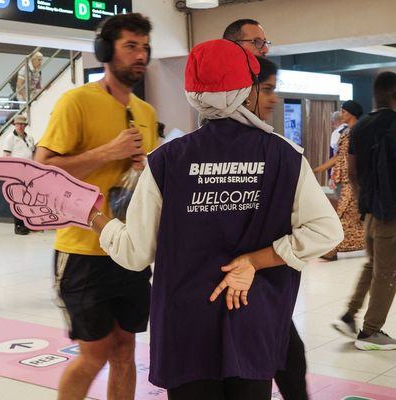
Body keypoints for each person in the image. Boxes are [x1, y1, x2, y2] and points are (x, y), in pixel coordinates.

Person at [87, 39, 343, 399]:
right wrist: (254, 260)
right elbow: (326, 231)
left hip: (186, 327)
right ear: (245, 90)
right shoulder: (284, 157)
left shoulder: (165, 161)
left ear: (192, 94)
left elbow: (134, 252)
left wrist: (93, 216)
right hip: (254, 322)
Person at [34, 13, 158, 400]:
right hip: (84, 249)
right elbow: (41, 169)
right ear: (106, 51)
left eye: (144, 48)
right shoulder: (76, 102)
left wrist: (143, 166)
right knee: (94, 354)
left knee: (126, 350)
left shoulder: (146, 112)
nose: (140, 55)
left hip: (130, 250)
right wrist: (109, 152)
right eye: (130, 46)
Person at [223, 18, 310, 400]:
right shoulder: (213, 137)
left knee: (289, 357)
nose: (265, 48)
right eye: (256, 42)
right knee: (264, 365)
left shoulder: (275, 147)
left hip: (266, 275)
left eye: (265, 41)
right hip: (229, 277)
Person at [332, 71, 396, 351]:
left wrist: (363, 202)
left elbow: (352, 171)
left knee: (373, 265)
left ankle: (350, 314)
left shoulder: (359, 127)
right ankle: (371, 332)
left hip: (371, 210)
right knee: (388, 272)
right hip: (393, 211)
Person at [313, 100, 365, 261]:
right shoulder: (347, 132)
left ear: (352, 113)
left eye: (343, 111)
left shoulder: (359, 132)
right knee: (353, 216)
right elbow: (338, 156)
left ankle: (332, 249)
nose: (341, 114)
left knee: (343, 214)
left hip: (354, 179)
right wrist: (318, 169)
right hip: (346, 179)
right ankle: (374, 241)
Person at [3, 115, 36, 235]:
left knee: (28, 200)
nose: (21, 126)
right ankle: (18, 225)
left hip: (29, 172)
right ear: (15, 125)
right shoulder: (10, 138)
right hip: (16, 173)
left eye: (23, 124)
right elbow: (6, 157)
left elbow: (33, 154)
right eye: (18, 124)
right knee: (18, 200)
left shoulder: (30, 138)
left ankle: (28, 223)